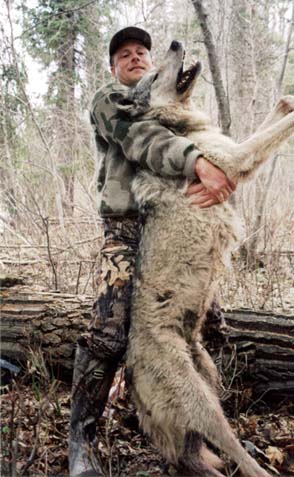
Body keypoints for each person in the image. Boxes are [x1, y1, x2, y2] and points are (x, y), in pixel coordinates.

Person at [69, 26, 235, 477]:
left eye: (143, 51)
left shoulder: (169, 105)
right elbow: (141, 140)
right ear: (113, 67)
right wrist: (196, 162)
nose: (136, 58)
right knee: (109, 334)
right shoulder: (110, 101)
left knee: (203, 332)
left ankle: (188, 445)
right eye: (124, 54)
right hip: (128, 231)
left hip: (176, 233)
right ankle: (80, 444)